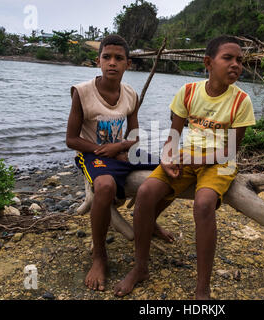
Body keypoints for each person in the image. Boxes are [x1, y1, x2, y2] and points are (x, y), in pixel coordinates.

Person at [114, 35, 256, 299]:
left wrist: (191, 161)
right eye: (228, 58)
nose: (236, 64)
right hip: (186, 156)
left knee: (203, 204)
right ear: (208, 63)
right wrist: (168, 159)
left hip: (220, 163)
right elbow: (174, 137)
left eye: (240, 60)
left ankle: (203, 288)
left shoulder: (241, 101)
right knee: (145, 192)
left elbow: (230, 151)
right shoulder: (189, 92)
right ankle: (140, 268)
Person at [66, 35, 174, 291]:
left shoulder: (131, 94)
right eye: (107, 57)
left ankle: (150, 220)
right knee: (104, 187)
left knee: (174, 172)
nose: (112, 63)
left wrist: (121, 147)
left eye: (119, 58)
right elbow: (71, 139)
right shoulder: (82, 92)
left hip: (122, 153)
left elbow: (133, 136)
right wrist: (104, 149)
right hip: (90, 153)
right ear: (98, 61)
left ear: (128, 64)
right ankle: (99, 256)